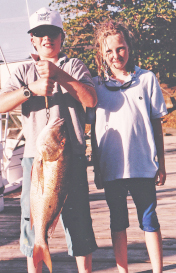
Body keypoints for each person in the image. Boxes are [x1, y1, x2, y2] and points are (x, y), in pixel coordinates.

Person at [0, 7, 98, 273]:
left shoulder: (75, 66)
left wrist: (58, 75)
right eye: (40, 34)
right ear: (32, 39)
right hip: (36, 159)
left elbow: (90, 99)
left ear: (61, 36)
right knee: (33, 221)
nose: (46, 39)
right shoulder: (22, 72)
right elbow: (1, 105)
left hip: (70, 158)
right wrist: (31, 90)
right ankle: (37, 263)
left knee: (79, 221)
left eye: (52, 33)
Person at [87, 19, 167, 273]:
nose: (115, 55)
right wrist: (98, 169)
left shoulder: (147, 79)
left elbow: (156, 125)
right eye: (108, 51)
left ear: (129, 47)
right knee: (117, 221)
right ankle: (124, 270)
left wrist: (161, 164)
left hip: (143, 166)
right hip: (111, 169)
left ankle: (157, 269)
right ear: (101, 54)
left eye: (120, 48)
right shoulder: (96, 85)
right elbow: (94, 131)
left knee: (149, 220)